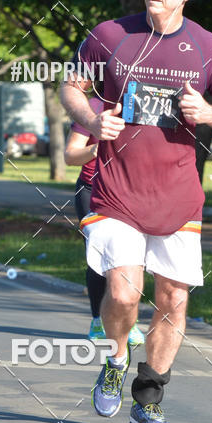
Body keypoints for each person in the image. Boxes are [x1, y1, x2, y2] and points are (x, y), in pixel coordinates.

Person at [62, 0, 212, 423]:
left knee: (173, 298)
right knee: (123, 292)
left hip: (178, 195)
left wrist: (207, 114)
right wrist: (90, 119)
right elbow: (70, 87)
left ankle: (149, 399)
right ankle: (118, 357)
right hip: (117, 191)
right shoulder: (109, 36)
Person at [64, 94, 145, 347]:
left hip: (131, 191)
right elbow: (70, 155)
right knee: (102, 257)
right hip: (92, 189)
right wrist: (95, 149)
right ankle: (99, 320)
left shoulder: (144, 103)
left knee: (132, 256)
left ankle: (126, 321)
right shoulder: (93, 108)